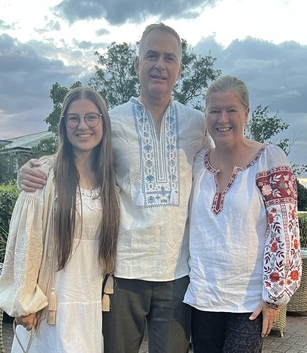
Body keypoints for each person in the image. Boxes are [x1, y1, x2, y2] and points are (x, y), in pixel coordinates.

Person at [16, 23, 211, 353]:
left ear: (179, 68)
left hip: (177, 274)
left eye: (169, 58)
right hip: (122, 275)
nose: (159, 65)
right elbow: (78, 153)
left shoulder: (197, 123)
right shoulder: (113, 120)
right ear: (137, 64)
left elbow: (220, 163)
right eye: (151, 55)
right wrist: (35, 167)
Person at [0, 86, 120, 353]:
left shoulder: (110, 181)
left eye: (91, 117)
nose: (82, 125)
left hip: (90, 305)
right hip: (50, 305)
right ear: (63, 125)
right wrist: (24, 302)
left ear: (103, 122)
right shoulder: (44, 175)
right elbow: (25, 242)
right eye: (73, 118)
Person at [183, 75, 302, 353]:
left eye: (231, 110)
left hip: (248, 303)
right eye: (214, 110)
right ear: (206, 115)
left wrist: (274, 297)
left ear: (246, 113)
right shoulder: (198, 163)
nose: (222, 118)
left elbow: (284, 231)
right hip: (203, 297)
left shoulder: (269, 159)